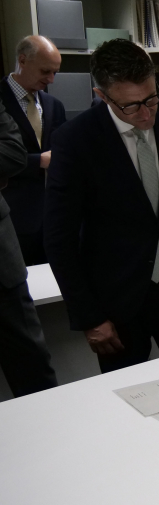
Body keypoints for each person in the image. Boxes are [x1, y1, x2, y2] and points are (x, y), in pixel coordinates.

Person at [44, 39, 159, 373]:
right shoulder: (75, 140)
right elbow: (59, 237)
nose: (146, 114)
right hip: (115, 299)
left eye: (151, 98)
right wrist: (90, 317)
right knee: (126, 398)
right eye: (131, 106)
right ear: (102, 95)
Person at [0, 96, 58, 396]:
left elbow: (12, 155)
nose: (52, 78)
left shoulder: (52, 104)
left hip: (3, 264)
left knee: (31, 365)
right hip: (19, 214)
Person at [0, 36, 66, 265]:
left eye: (55, 72)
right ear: (22, 60)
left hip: (52, 217)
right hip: (11, 215)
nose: (52, 79)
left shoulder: (53, 105)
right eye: (46, 71)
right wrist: (38, 161)